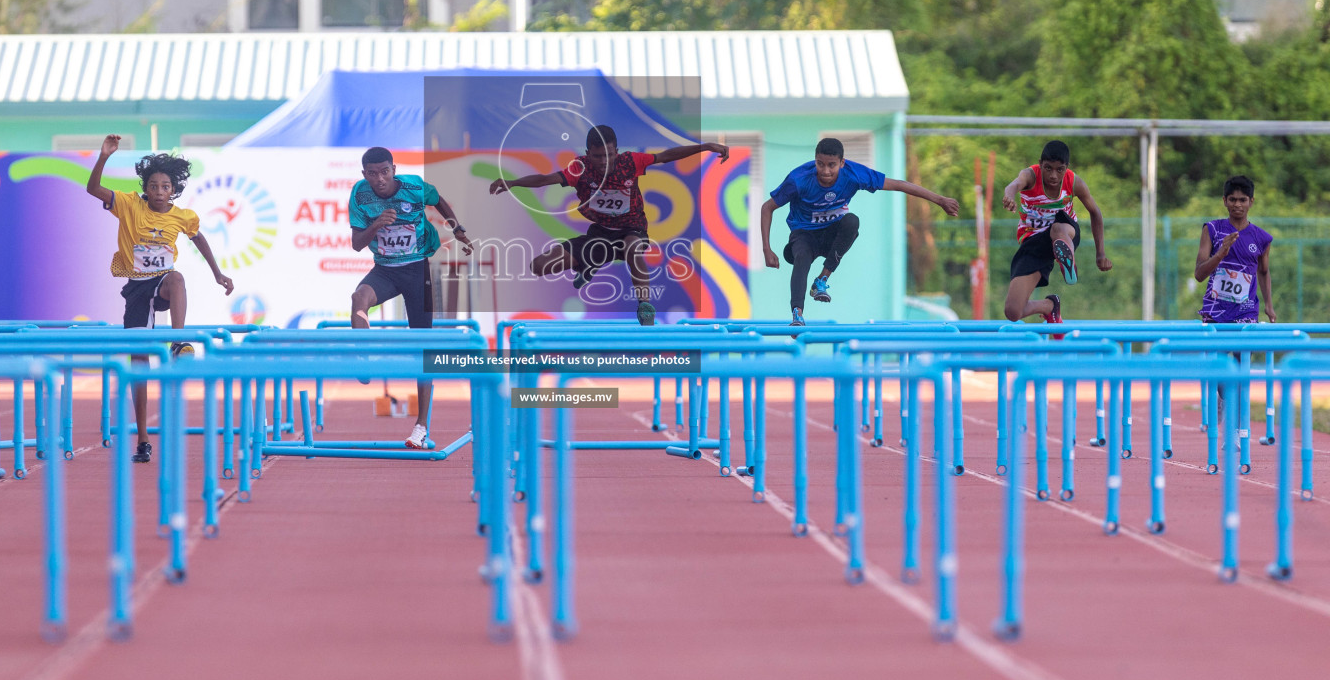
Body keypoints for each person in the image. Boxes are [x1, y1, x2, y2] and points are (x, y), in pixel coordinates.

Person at [86, 135, 234, 464]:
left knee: (178, 278)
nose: (158, 191)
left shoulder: (183, 216)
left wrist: (217, 273)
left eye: (164, 186)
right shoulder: (128, 204)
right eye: (152, 185)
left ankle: (178, 341)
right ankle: (142, 438)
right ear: (146, 188)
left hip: (163, 283)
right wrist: (103, 158)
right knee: (138, 365)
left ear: (173, 190)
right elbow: (92, 189)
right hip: (137, 289)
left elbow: (199, 239)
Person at [488, 126, 729, 326]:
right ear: (587, 154)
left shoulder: (631, 162)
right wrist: (513, 182)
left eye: (609, 155)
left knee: (632, 247)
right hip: (599, 236)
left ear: (617, 151)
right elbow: (545, 179)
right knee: (539, 266)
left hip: (631, 229)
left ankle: (644, 305)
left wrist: (705, 146)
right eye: (597, 156)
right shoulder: (579, 168)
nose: (604, 162)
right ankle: (593, 260)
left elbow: (666, 156)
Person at [349, 146, 474, 449]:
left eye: (384, 171)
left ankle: (421, 426)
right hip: (386, 270)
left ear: (393, 169)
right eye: (372, 173)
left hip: (418, 270)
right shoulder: (360, 194)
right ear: (364, 174)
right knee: (359, 297)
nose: (379, 178)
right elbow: (356, 244)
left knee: (423, 346)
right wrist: (376, 224)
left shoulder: (415, 187)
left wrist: (456, 229)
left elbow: (438, 200)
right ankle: (364, 360)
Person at [761, 137, 960, 326]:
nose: (826, 171)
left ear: (842, 163)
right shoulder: (799, 179)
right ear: (815, 161)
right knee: (802, 257)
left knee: (851, 221)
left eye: (832, 165)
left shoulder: (854, 174)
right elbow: (767, 207)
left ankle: (822, 279)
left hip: (832, 234)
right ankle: (797, 314)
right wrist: (767, 249)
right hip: (804, 233)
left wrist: (940, 200)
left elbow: (899, 185)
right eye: (820, 164)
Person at [1001, 140, 1112, 325]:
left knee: (1057, 228)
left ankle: (1068, 261)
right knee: (1013, 311)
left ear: (1066, 167)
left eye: (1059, 170)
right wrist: (1009, 197)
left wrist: (1100, 253)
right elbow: (1013, 185)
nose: (1053, 175)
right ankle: (1049, 306)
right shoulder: (1030, 175)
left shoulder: (1074, 182)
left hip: (1065, 232)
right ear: (1040, 164)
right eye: (1048, 168)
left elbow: (1096, 213)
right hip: (1034, 240)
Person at [1196, 175, 1274, 325]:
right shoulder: (1212, 230)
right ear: (1225, 201)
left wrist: (1269, 305)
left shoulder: (1262, 238)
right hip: (1215, 310)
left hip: (1246, 311)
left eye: (1242, 200)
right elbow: (1199, 275)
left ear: (1251, 202)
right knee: (1215, 349)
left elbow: (1263, 271)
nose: (1237, 204)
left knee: (1244, 349)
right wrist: (1220, 253)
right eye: (1232, 199)